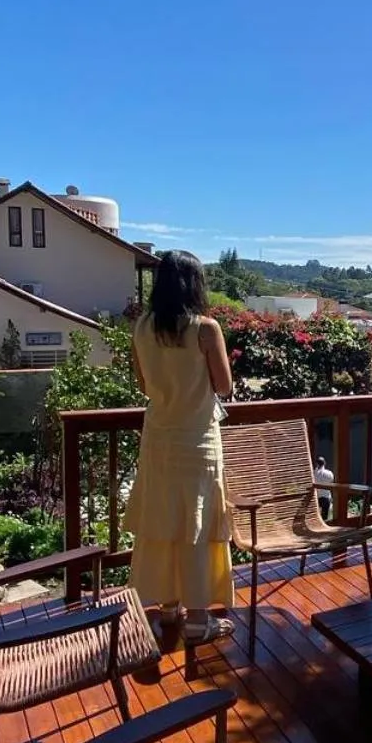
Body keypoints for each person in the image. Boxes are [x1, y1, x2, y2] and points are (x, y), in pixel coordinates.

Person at [125, 251, 235, 649]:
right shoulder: (206, 329)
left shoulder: (142, 327)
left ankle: (169, 608)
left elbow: (143, 385)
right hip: (197, 441)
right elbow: (223, 387)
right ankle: (199, 619)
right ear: (195, 284)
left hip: (158, 439)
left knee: (163, 521)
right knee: (197, 527)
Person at [313, 454, 334, 520]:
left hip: (317, 497)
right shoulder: (329, 473)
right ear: (325, 463)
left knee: (316, 516)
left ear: (316, 463)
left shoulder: (314, 473)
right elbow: (331, 481)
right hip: (326, 496)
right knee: (325, 516)